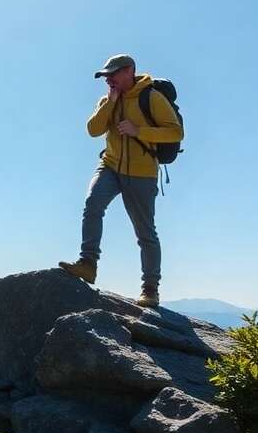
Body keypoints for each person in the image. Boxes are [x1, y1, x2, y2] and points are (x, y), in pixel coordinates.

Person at [59, 54, 182, 307]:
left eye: (113, 74)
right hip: (111, 165)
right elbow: (93, 130)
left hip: (142, 172)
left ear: (130, 71)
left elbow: (175, 132)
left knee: (145, 232)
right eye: (105, 76)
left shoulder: (151, 97)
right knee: (93, 203)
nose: (108, 79)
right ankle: (88, 264)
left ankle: (150, 289)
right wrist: (110, 103)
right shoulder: (108, 99)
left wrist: (139, 131)